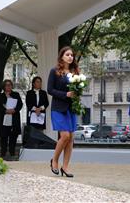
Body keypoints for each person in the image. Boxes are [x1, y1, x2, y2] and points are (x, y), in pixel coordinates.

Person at [47, 46, 79, 177]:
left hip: (71, 109)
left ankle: (65, 167)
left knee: (71, 138)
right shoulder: (54, 71)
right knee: (65, 136)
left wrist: (77, 93)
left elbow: (77, 90)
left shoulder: (75, 72)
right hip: (58, 108)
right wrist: (66, 94)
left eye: (72, 55)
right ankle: (54, 160)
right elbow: (50, 90)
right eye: (67, 54)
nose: (70, 57)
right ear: (61, 57)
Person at [0, 79, 23, 160]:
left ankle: (12, 154)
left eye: (10, 85)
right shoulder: (0, 96)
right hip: (4, 118)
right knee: (4, 137)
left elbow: (20, 104)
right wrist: (5, 110)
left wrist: (14, 110)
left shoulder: (16, 94)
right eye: (6, 85)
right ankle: (3, 154)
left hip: (14, 118)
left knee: (13, 137)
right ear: (4, 86)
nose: (8, 86)